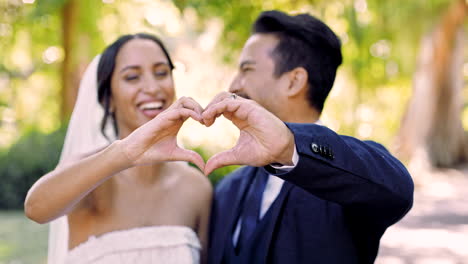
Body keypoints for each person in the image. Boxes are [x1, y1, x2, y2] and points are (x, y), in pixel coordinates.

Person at [203, 10, 414, 264]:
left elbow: (398, 189)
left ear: (294, 81)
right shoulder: (227, 189)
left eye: (247, 69)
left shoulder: (352, 177)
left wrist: (291, 146)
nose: (234, 85)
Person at [24, 33, 212, 264]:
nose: (152, 87)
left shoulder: (196, 188)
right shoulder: (89, 175)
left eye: (161, 72)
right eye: (132, 77)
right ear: (108, 100)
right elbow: (36, 209)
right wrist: (124, 153)